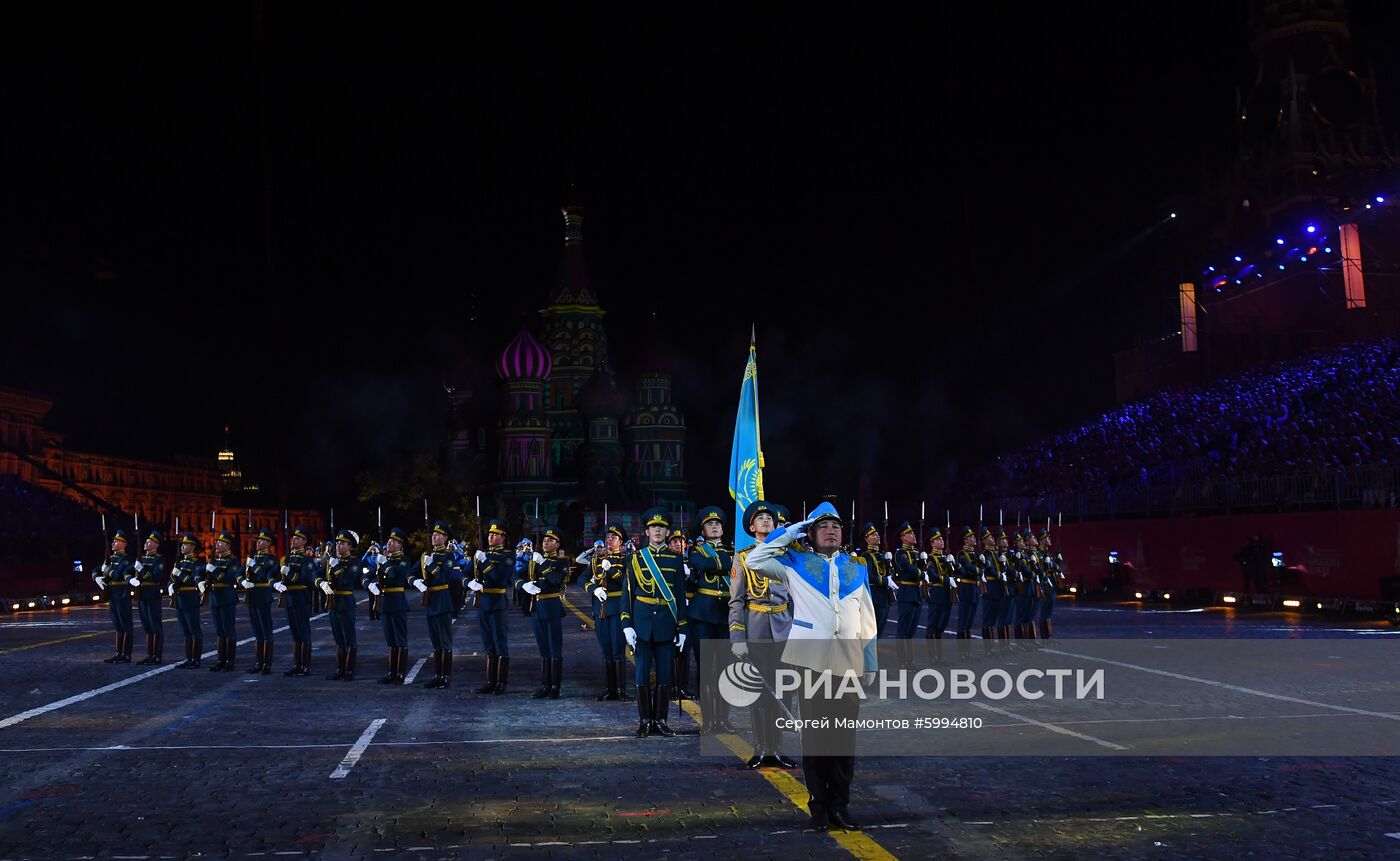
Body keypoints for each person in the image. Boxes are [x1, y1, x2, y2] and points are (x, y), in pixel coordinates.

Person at [743, 501, 877, 833]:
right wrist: (788, 532)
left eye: (836, 525)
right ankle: (818, 807)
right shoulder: (794, 563)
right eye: (823, 525)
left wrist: (870, 662)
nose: (831, 530)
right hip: (811, 663)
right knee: (817, 739)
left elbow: (868, 619)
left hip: (849, 663)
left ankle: (840, 805)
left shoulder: (857, 567)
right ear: (810, 533)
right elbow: (755, 559)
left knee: (844, 739)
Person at [620, 508, 687, 737]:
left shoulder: (675, 559)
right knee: (641, 676)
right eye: (653, 527)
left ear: (667, 531)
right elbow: (627, 594)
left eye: (661, 527)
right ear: (647, 531)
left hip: (667, 623)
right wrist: (626, 624)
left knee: (665, 675)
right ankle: (644, 721)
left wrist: (683, 627)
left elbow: (679, 595)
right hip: (642, 623)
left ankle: (660, 720)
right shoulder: (635, 559)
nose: (657, 530)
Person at [686, 506, 736, 734]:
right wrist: (724, 564)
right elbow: (701, 564)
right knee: (706, 669)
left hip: (726, 615)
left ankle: (723, 720)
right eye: (709, 524)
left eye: (717, 524)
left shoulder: (733, 550)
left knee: (726, 670)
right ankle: (708, 720)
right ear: (703, 531)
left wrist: (721, 565)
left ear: (723, 529)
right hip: (703, 615)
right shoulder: (697, 551)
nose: (714, 527)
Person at [517, 525, 568, 698]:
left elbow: (555, 579)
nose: (546, 543)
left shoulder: (561, 561)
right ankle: (545, 685)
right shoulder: (535, 560)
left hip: (552, 607)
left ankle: (555, 687)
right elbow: (516, 575)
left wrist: (543, 563)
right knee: (543, 649)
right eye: (545, 540)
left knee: (554, 648)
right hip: (537, 608)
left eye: (550, 540)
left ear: (558, 544)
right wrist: (522, 584)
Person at [415, 521, 464, 689]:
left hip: (442, 601)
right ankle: (437, 675)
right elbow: (410, 573)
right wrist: (416, 582)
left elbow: (444, 577)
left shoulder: (448, 556)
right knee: (435, 641)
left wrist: (432, 565)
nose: (434, 537)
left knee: (445, 641)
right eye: (433, 534)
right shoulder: (427, 555)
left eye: (438, 535)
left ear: (445, 538)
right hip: (430, 601)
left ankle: (446, 676)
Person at [469, 519, 513, 694]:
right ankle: (490, 681)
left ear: (503, 537)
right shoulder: (483, 554)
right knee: (488, 644)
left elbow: (499, 578)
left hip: (497, 603)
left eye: (495, 534)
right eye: (490, 534)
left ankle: (501, 683)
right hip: (483, 603)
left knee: (500, 643)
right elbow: (465, 573)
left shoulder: (507, 556)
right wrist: (470, 582)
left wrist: (485, 562)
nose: (491, 537)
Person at [316, 529, 363, 681]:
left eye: (342, 543)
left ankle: (349, 671)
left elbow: (347, 580)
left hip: (346, 602)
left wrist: (335, 567)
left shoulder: (354, 562)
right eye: (338, 543)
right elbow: (316, 574)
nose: (338, 546)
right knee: (338, 639)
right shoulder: (332, 560)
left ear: (350, 546)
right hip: (333, 602)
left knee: (349, 638)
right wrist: (321, 583)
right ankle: (340, 669)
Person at [372, 526, 414, 684]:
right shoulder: (384, 560)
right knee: (390, 640)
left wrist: (386, 564)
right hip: (385, 602)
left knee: (400, 639)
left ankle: (400, 673)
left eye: (393, 541)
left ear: (400, 545)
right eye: (389, 541)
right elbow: (371, 577)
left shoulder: (404, 560)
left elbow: (396, 574)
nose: (389, 543)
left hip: (397, 602)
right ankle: (391, 672)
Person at [278, 525, 318, 676]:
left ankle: (305, 666)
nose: (294, 540)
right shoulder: (287, 558)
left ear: (305, 542)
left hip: (301, 597)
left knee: (303, 632)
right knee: (295, 633)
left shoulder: (306, 559)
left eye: (298, 538)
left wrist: (289, 574)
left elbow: (307, 579)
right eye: (293, 537)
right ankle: (297, 664)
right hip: (289, 598)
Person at [93, 528, 136, 663]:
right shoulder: (110, 558)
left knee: (126, 625)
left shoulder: (127, 559)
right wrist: (97, 578)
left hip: (122, 594)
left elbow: (117, 575)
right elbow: (95, 570)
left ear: (124, 544)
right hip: (112, 595)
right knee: (117, 625)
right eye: (113, 541)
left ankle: (127, 654)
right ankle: (119, 653)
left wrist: (106, 570)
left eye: (117, 541)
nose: (113, 543)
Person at [205, 530, 245, 672]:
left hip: (227, 597)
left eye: (221, 542)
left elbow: (229, 578)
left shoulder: (233, 561)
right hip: (215, 598)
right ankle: (220, 660)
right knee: (219, 631)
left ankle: (230, 661)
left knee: (228, 630)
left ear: (228, 545)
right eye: (217, 542)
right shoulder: (215, 560)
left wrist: (214, 571)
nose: (217, 544)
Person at [241, 528, 279, 674]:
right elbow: (239, 573)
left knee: (266, 630)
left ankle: (267, 664)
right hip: (251, 596)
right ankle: (258, 662)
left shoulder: (271, 559)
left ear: (269, 543)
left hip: (263, 595)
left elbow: (265, 575)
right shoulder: (252, 558)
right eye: (258, 540)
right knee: (257, 631)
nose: (258, 542)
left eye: (262, 540)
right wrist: (242, 581)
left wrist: (254, 566)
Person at [169, 531, 206, 668]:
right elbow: (171, 578)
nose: (183, 546)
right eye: (183, 544)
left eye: (186, 544)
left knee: (194, 630)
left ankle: (196, 659)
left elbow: (194, 580)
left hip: (190, 599)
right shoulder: (179, 562)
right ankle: (189, 658)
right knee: (186, 631)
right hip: (179, 600)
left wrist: (181, 575)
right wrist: (170, 586)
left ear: (193, 547)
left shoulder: (197, 563)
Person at [132, 529, 168, 664]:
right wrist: (132, 579)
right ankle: (150, 655)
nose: (146, 543)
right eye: (147, 541)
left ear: (156, 545)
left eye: (150, 541)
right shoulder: (141, 558)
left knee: (155, 626)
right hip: (142, 594)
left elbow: (155, 577)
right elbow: (131, 572)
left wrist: (141, 569)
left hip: (152, 594)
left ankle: (157, 656)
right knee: (147, 626)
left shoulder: (158, 560)